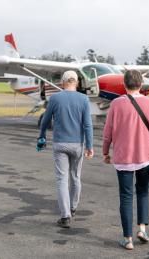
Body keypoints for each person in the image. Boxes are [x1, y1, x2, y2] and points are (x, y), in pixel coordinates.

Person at [103, 70, 149, 250]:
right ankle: (142, 229)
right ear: (141, 85)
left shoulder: (115, 104)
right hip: (146, 157)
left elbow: (108, 132)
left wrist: (105, 152)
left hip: (123, 158)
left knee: (126, 196)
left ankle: (127, 238)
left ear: (124, 84)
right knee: (143, 191)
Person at [37, 70, 94, 228]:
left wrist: (41, 137)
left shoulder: (55, 98)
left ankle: (65, 216)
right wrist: (89, 145)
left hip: (60, 144)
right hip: (77, 144)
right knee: (75, 177)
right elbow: (87, 124)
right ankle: (73, 208)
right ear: (77, 82)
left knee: (62, 179)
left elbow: (45, 121)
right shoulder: (84, 99)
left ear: (62, 83)